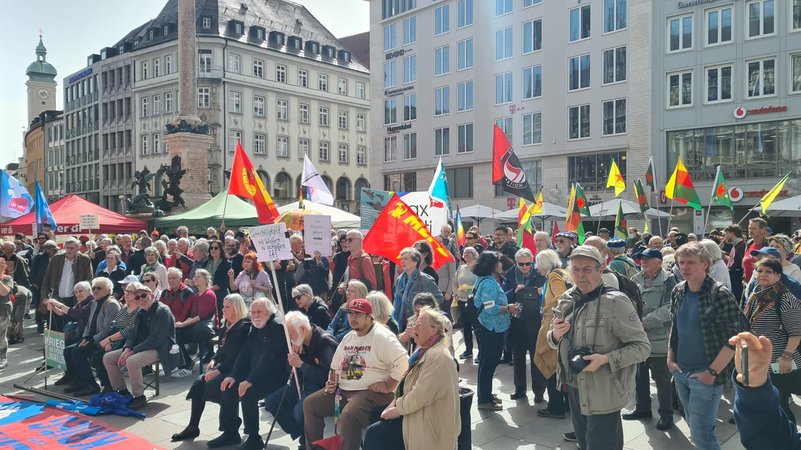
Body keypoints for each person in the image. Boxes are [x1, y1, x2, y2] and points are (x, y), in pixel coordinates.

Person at [548, 245, 650, 450]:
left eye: (587, 269)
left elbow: (642, 347)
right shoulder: (568, 298)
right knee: (584, 443)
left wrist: (605, 359)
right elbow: (553, 340)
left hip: (604, 390)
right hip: (574, 385)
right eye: (575, 269)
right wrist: (555, 335)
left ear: (600, 269)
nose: (580, 275)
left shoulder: (616, 302)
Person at [304, 298, 408, 450]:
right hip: (344, 390)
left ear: (369, 316)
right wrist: (332, 382)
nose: (352, 318)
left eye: (358, 314)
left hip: (372, 393)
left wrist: (388, 385)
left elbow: (404, 362)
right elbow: (335, 366)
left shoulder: (382, 336)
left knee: (349, 414)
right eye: (350, 314)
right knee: (310, 404)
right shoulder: (349, 337)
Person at [668, 242, 744, 450]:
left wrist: (711, 372)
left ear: (705, 264)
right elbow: (675, 327)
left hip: (706, 375)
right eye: (681, 262)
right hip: (681, 370)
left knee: (703, 436)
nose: (684, 267)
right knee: (694, 428)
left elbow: (733, 338)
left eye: (691, 262)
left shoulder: (718, 293)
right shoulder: (678, 290)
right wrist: (670, 358)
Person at [364, 307, 460, 450]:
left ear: (433, 330)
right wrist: (394, 404)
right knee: (376, 415)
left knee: (375, 434)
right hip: (417, 410)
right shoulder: (424, 350)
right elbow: (406, 385)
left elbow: (421, 394)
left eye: (419, 325)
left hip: (429, 423)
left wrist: (396, 409)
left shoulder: (438, 357)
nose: (414, 328)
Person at [171, 294, 251, 443]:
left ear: (237, 308)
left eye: (227, 307)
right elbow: (220, 350)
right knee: (199, 383)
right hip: (224, 366)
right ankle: (193, 426)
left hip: (238, 370)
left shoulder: (243, 327)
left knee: (222, 386)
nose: (223, 309)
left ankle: (231, 431)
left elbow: (238, 357)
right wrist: (213, 360)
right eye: (223, 306)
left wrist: (218, 371)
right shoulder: (226, 324)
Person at [214, 297, 289, 449]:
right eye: (253, 312)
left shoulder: (276, 327)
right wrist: (233, 375)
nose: (255, 315)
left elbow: (268, 357)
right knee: (229, 386)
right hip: (256, 371)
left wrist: (250, 380)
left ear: (269, 312)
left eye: (259, 312)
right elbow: (245, 352)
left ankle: (254, 437)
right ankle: (230, 432)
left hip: (275, 375)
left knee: (248, 393)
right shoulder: (255, 326)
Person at [264, 311, 337, 450]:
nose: (290, 338)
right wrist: (293, 356)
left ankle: (309, 439)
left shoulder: (324, 342)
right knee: (272, 402)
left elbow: (328, 376)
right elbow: (291, 372)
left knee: (300, 410)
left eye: (291, 334)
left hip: (320, 386)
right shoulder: (300, 340)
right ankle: (301, 433)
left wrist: (301, 364)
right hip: (303, 382)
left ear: (302, 329)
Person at [741, 258, 801, 423]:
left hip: (779, 362)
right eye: (760, 271)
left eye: (768, 272)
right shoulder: (757, 293)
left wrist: (786, 357)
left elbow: (796, 331)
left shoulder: (784, 297)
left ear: (778, 275)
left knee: (779, 403)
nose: (762, 275)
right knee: (771, 402)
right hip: (761, 360)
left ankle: (789, 440)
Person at [102, 283, 178, 409]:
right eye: (137, 298)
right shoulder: (141, 313)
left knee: (132, 361)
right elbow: (132, 334)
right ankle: (122, 391)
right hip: (141, 347)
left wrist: (132, 352)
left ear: (152, 296)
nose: (141, 300)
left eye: (144, 296)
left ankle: (139, 397)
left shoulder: (162, 310)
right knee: (108, 358)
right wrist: (127, 349)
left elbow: (157, 339)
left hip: (161, 348)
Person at [626, 248, 678, 430]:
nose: (643, 262)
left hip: (659, 338)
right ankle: (642, 408)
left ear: (659, 261)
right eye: (641, 259)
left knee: (661, 378)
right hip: (638, 338)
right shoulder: (635, 279)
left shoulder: (668, 280)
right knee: (639, 376)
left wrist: (645, 322)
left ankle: (666, 415)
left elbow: (670, 307)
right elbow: (627, 303)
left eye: (647, 259)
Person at [730, 332, 801, 449]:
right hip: (766, 366)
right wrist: (755, 389)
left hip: (781, 365)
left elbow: (795, 330)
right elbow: (781, 443)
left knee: (782, 400)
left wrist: (787, 355)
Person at [472, 251, 518, 411]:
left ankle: (485, 395)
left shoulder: (484, 280)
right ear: (492, 265)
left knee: (486, 363)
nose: (501, 264)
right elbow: (490, 308)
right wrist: (509, 308)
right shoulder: (489, 283)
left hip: (489, 327)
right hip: (490, 328)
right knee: (489, 363)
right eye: (498, 262)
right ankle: (484, 399)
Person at [502, 248, 547, 401]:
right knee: (518, 359)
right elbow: (503, 296)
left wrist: (538, 291)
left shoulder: (539, 274)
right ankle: (519, 389)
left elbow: (548, 295)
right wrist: (514, 291)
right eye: (521, 264)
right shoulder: (510, 274)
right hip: (517, 322)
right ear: (516, 263)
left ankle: (539, 392)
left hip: (535, 321)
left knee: (537, 359)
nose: (525, 267)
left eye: (528, 263)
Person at [64, 277, 120, 396]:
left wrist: (91, 340)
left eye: (99, 288)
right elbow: (89, 324)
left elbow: (107, 329)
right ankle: (80, 381)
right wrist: (85, 337)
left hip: (105, 340)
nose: (95, 291)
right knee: (69, 350)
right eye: (93, 288)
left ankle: (93, 385)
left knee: (79, 352)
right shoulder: (94, 302)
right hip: (92, 338)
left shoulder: (111, 304)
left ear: (108, 290)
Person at [532, 249, 569, 419]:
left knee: (549, 362)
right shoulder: (561, 272)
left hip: (551, 324)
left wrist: (545, 309)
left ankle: (556, 406)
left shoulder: (554, 276)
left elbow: (562, 298)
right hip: (557, 324)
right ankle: (564, 404)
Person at [41, 237, 94, 332]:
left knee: (69, 326)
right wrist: (44, 296)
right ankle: (52, 346)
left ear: (78, 249)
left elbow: (88, 279)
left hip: (74, 298)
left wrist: (83, 296)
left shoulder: (84, 260)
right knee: (54, 325)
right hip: (57, 296)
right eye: (67, 247)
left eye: (72, 248)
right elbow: (46, 278)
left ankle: (67, 344)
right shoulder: (56, 259)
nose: (69, 250)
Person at [172, 269, 217, 376]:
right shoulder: (196, 295)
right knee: (173, 333)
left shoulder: (209, 294)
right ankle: (183, 363)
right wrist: (181, 323)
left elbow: (201, 316)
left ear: (206, 280)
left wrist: (183, 324)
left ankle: (187, 365)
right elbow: (192, 315)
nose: (195, 278)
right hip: (196, 326)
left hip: (206, 328)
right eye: (195, 276)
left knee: (178, 334)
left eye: (198, 277)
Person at [392, 247, 443, 330]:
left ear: (415, 262)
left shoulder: (425, 279)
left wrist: (423, 308)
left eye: (406, 259)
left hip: (420, 324)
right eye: (401, 259)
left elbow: (439, 298)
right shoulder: (400, 279)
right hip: (402, 323)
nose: (402, 261)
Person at [455, 246, 479, 359]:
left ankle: (480, 352)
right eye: (465, 253)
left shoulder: (478, 267)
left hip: (473, 301)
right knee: (466, 326)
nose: (466, 255)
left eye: (469, 253)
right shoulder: (461, 268)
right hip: (462, 300)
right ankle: (468, 350)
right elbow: (455, 283)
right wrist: (456, 294)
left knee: (477, 326)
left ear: (474, 254)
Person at [204, 239, 232, 319]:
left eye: (216, 248)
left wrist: (208, 290)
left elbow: (223, 283)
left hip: (220, 294)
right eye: (211, 248)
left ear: (221, 250)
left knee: (220, 317)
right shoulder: (205, 263)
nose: (213, 250)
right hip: (206, 293)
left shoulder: (226, 263)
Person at [742, 218, 769, 285]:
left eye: (753, 228)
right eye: (749, 228)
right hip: (747, 285)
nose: (750, 231)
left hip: (761, 285)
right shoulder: (749, 243)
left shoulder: (769, 245)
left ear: (763, 230)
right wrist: (743, 279)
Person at [724, 224, 747, 302]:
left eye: (727, 234)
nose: (725, 236)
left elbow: (739, 264)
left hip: (737, 280)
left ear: (732, 233)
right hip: (733, 279)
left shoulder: (742, 246)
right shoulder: (735, 246)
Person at [0, 256, 14, 369]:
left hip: (3, 308)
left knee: (1, 334)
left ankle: (3, 358)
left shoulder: (7, 278)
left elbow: (4, 292)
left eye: (1, 265)